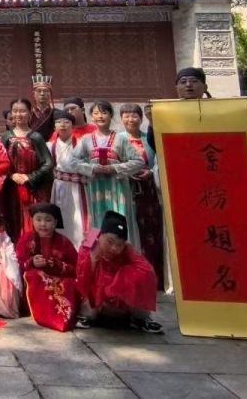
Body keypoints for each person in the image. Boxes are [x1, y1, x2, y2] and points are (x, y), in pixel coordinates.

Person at [76, 210, 162, 333]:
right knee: (89, 310)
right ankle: (86, 317)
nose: (114, 248)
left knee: (136, 276)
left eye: (120, 245)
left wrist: (120, 283)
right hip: (97, 297)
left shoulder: (127, 249)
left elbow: (148, 272)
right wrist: (93, 258)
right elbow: (82, 281)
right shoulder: (90, 241)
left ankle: (140, 320)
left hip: (119, 299)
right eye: (110, 242)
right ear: (101, 235)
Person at [73, 101, 144, 247]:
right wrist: (92, 168)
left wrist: (116, 168)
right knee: (96, 219)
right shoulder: (86, 140)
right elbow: (71, 161)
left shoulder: (121, 139)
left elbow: (139, 161)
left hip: (117, 188)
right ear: (91, 117)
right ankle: (93, 252)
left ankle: (122, 251)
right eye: (96, 113)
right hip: (95, 189)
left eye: (104, 113)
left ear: (111, 116)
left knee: (119, 218)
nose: (100, 116)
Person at [16, 202, 78, 331]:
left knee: (69, 284)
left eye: (48, 220)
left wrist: (58, 265)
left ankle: (63, 318)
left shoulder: (64, 242)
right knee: (36, 275)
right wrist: (32, 262)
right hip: (36, 279)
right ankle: (46, 317)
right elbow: (18, 263)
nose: (43, 224)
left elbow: (76, 268)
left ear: (55, 223)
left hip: (60, 278)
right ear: (32, 221)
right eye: (38, 219)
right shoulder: (26, 239)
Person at [121, 103, 164, 284]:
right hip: (126, 189)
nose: (130, 119)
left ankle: (155, 275)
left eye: (134, 115)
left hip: (149, 191)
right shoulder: (118, 139)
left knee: (152, 231)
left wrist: (151, 172)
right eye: (126, 116)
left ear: (141, 118)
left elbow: (159, 161)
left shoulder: (149, 139)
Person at [2, 97, 54, 241]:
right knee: (13, 220)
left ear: (30, 113)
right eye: (15, 111)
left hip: (33, 189)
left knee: (32, 220)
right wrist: (11, 176)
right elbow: (0, 163)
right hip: (12, 189)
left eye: (22, 111)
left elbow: (48, 163)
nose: (18, 114)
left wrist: (29, 177)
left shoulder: (36, 137)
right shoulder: (6, 138)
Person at [48, 112, 89, 247]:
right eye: (59, 122)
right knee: (61, 219)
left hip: (79, 187)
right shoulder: (50, 146)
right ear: (54, 127)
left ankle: (82, 249)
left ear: (73, 126)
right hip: (59, 187)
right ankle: (63, 249)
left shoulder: (82, 144)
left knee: (81, 219)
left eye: (67, 122)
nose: (63, 125)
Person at [29, 76, 56, 141]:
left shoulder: (56, 113)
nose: (42, 94)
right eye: (39, 91)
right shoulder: (28, 114)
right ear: (33, 94)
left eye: (45, 91)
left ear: (50, 94)